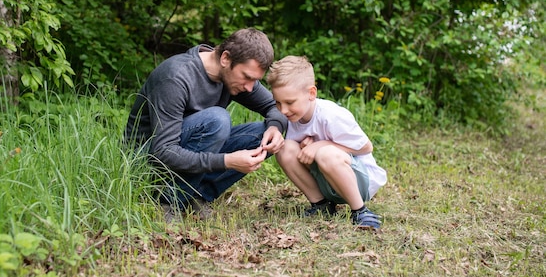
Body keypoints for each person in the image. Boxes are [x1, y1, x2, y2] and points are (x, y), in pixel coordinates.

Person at [124, 28, 287, 223]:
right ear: (226, 58)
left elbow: (274, 106)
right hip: (148, 162)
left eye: (255, 80)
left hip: (185, 148)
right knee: (217, 120)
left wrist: (275, 127)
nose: (250, 87)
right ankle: (167, 200)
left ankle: (196, 195)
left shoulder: (234, 76)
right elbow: (163, 150)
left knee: (262, 135)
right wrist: (227, 161)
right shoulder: (176, 77)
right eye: (247, 77)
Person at [266, 56, 387, 230]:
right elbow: (300, 156)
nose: (283, 110)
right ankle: (321, 205)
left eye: (290, 102)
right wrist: (305, 147)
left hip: (360, 183)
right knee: (285, 149)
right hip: (327, 181)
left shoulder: (330, 115)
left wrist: (320, 145)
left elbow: (366, 146)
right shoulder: (293, 117)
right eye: (278, 103)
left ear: (311, 93)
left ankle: (360, 211)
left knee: (325, 153)